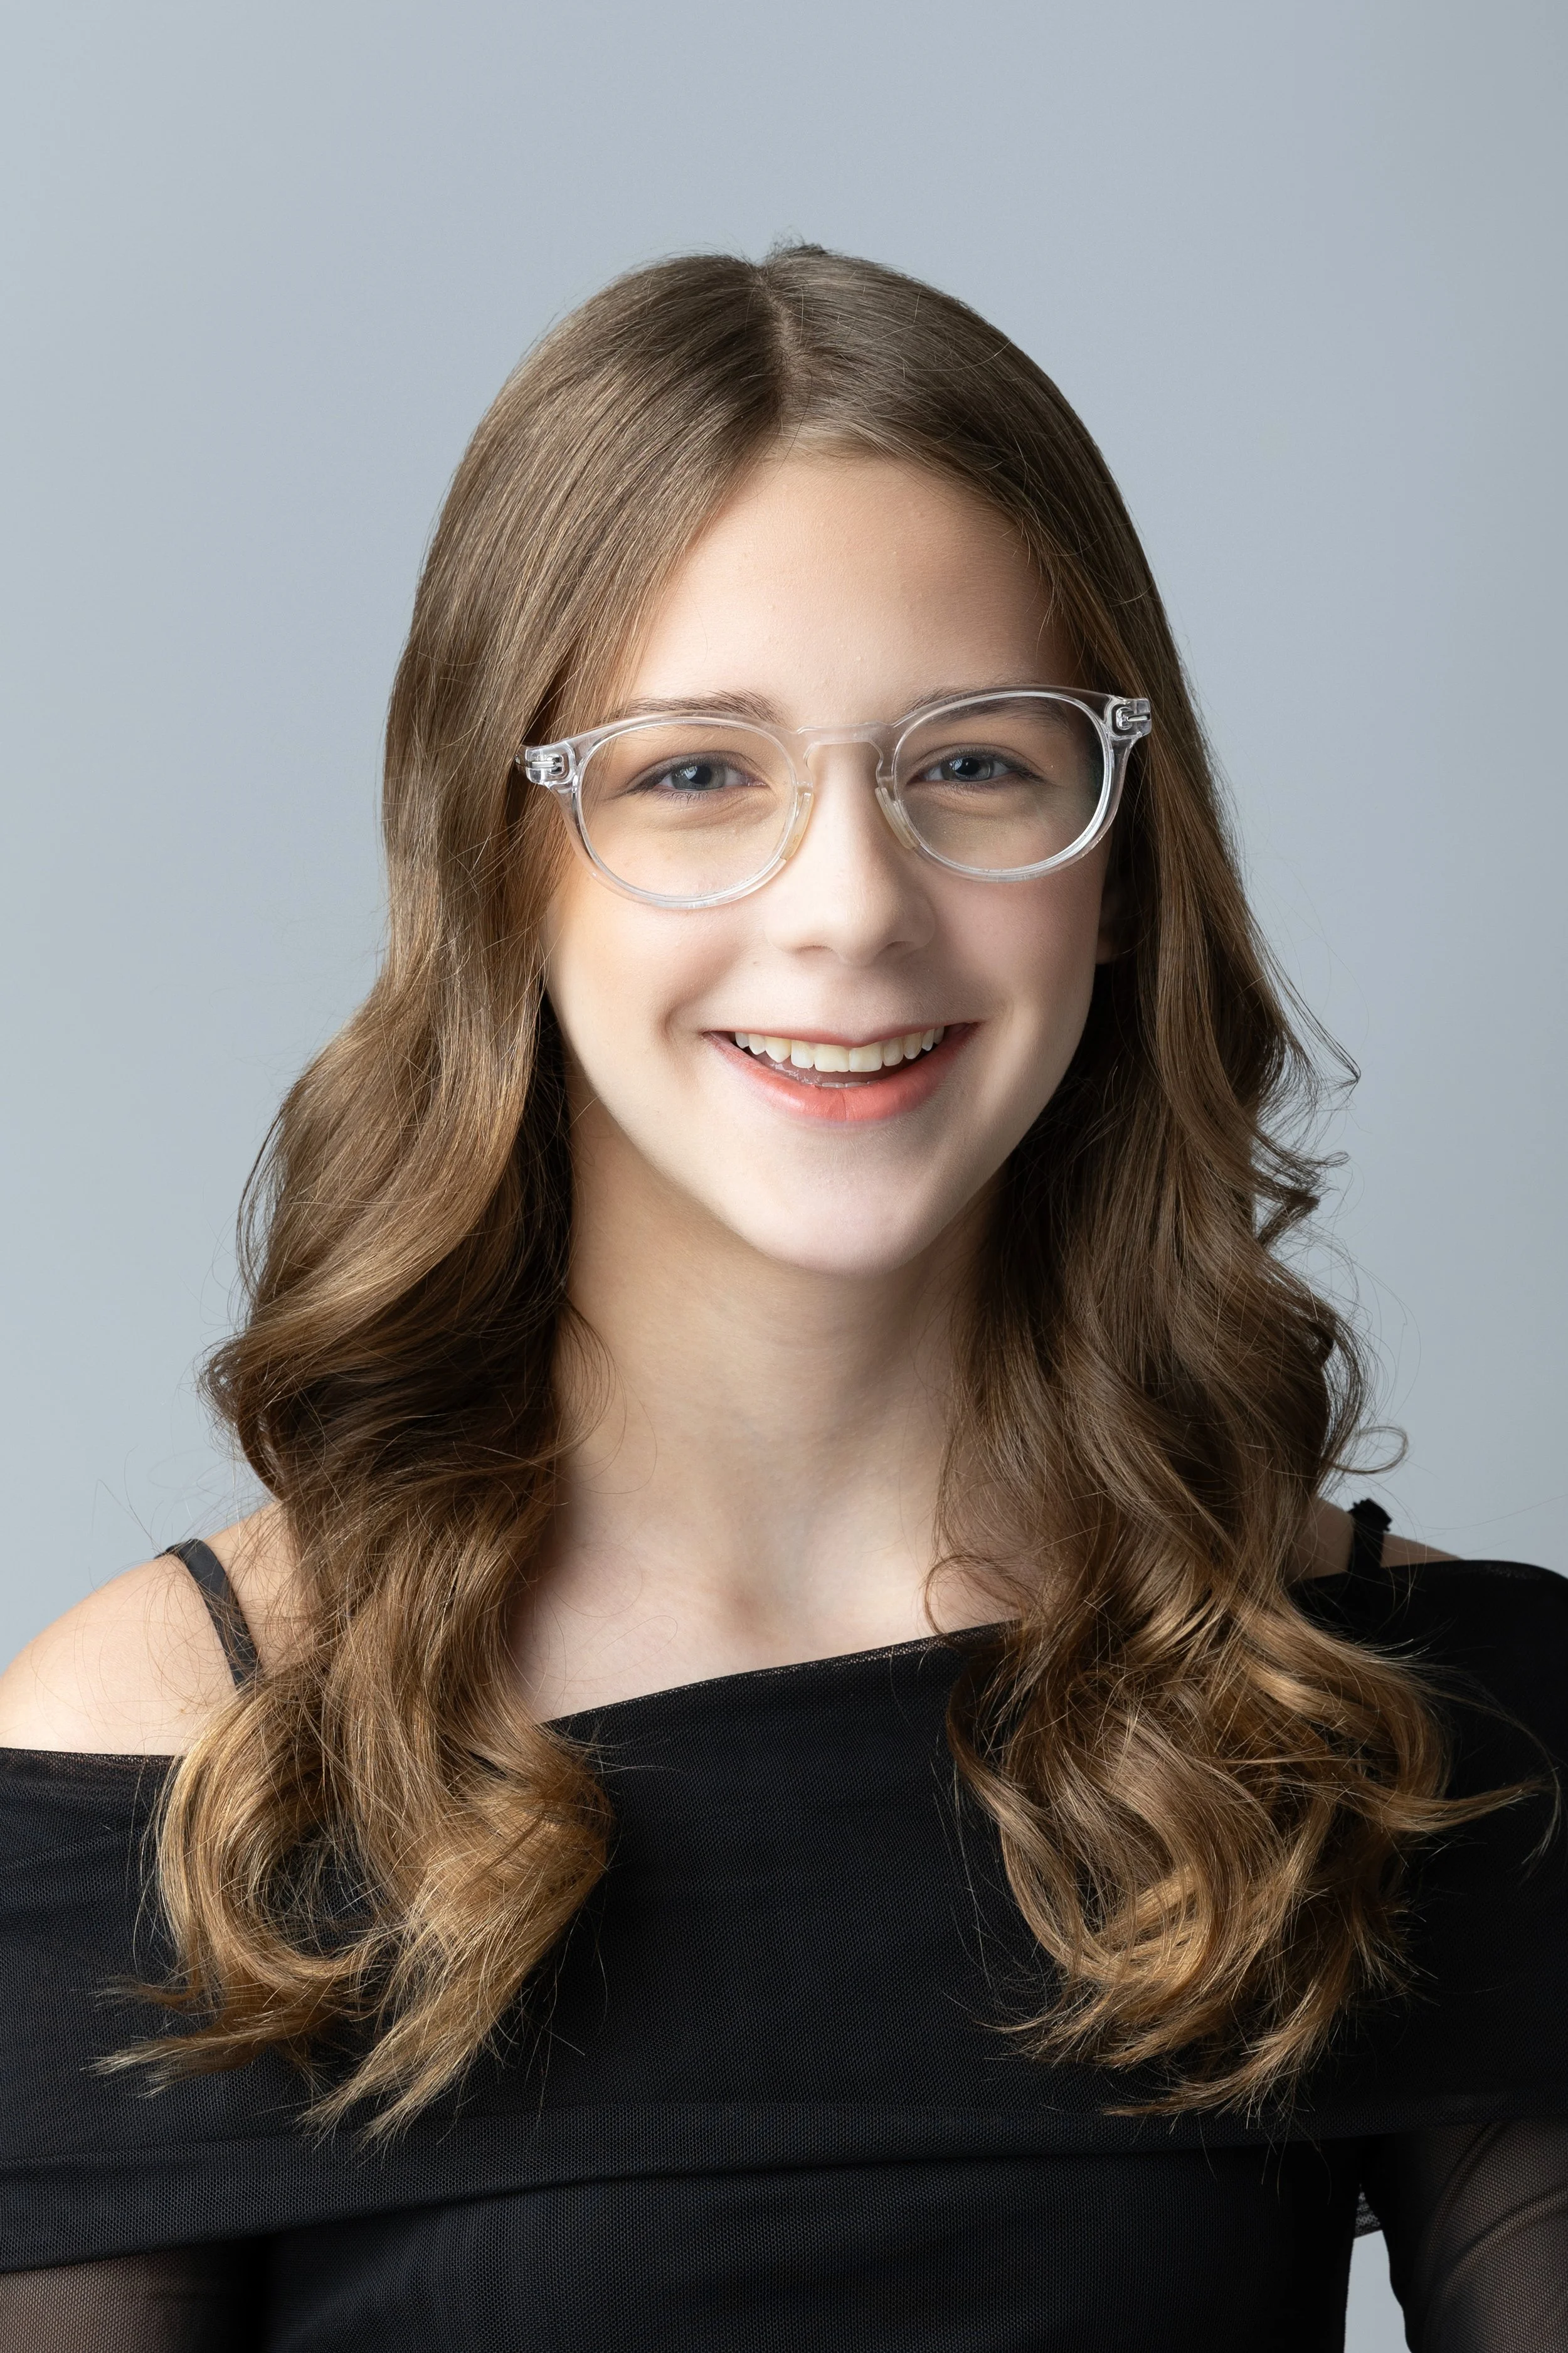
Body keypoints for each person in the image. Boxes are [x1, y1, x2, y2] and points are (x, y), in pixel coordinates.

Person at [0, 245, 1563, 2351]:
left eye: (976, 765)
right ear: (498, 866)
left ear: (1118, 874)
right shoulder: (170, 1754)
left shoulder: (1387, 1711)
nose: (846, 908)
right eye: (692, 772)